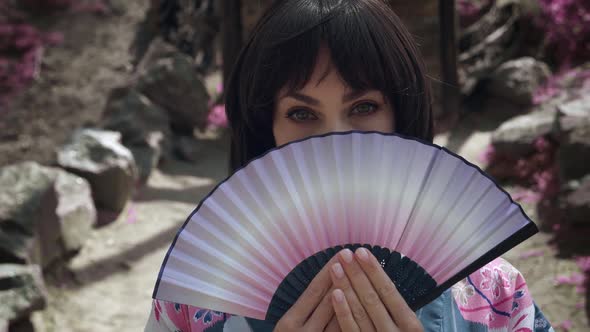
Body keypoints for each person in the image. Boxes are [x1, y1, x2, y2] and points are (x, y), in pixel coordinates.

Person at [144, 0, 554, 331]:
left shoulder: (495, 292)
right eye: (302, 113)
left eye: (364, 106)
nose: (335, 138)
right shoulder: (195, 301)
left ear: (401, 115)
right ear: (266, 127)